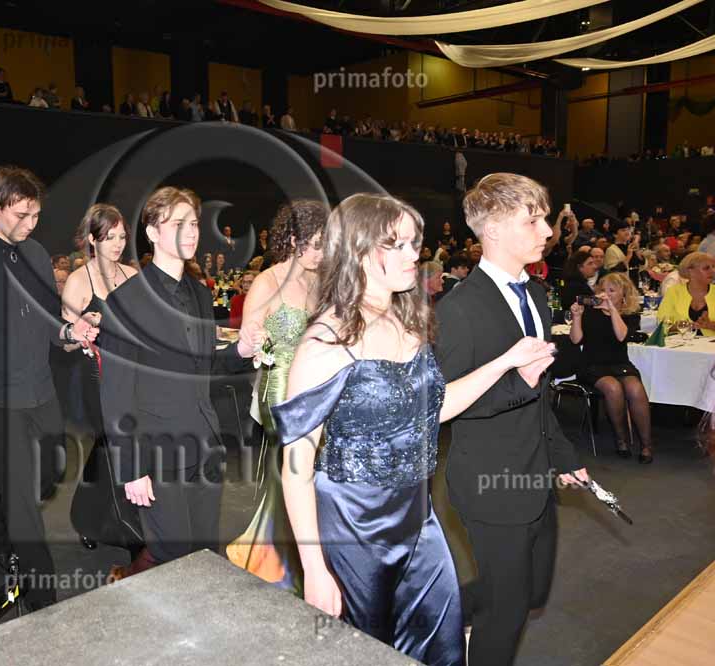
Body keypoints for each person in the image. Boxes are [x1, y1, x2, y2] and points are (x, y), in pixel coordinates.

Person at [272, 193, 555, 665]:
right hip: (353, 525)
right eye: (397, 245)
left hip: (419, 519)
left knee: (440, 645)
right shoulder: (326, 340)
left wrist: (505, 363)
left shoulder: (407, 321)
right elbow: (296, 466)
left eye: (413, 244)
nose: (413, 255)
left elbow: (433, 409)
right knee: (364, 652)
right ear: (359, 250)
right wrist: (314, 567)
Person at [435, 173, 589, 666]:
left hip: (536, 473)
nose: (547, 231)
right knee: (506, 612)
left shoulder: (537, 295)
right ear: (494, 229)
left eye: (545, 219)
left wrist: (564, 456)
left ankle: (428, 613)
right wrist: (516, 382)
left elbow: (539, 395)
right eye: (533, 220)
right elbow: (441, 406)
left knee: (532, 591)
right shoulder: (459, 309)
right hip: (491, 482)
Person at [0, 166, 98, 611]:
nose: (31, 224)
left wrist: (72, 332)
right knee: (25, 506)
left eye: (36, 215)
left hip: (41, 391)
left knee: (50, 474)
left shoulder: (36, 254)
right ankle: (44, 603)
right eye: (22, 215)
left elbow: (50, 321)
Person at [99, 186, 261, 581]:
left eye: (193, 224)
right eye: (178, 224)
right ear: (152, 233)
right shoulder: (126, 302)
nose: (190, 232)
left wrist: (239, 351)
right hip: (157, 451)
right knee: (173, 556)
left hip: (205, 443)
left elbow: (202, 366)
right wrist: (131, 467)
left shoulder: (201, 295)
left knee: (204, 550)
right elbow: (116, 393)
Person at [226, 200, 327, 591]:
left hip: (315, 387)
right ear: (294, 240)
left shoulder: (319, 281)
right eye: (315, 244)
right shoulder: (268, 281)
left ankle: (301, 554)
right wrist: (255, 336)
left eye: (325, 244)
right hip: (280, 388)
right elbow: (249, 334)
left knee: (311, 472)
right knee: (290, 470)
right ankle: (281, 561)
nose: (321, 252)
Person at [63, 204, 142, 552]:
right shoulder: (79, 281)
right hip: (96, 377)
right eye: (110, 237)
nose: (118, 244)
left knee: (113, 449)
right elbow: (64, 341)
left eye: (122, 236)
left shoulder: (133, 275)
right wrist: (84, 328)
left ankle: (89, 516)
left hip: (134, 375)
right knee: (114, 444)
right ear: (93, 240)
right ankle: (126, 526)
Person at [569, 273, 653, 462]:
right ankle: (621, 439)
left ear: (624, 294)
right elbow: (576, 340)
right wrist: (577, 317)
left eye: (611, 291)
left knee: (635, 388)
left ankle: (647, 445)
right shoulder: (591, 311)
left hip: (619, 363)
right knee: (613, 387)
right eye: (602, 290)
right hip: (591, 364)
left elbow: (621, 336)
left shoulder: (630, 314)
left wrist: (612, 310)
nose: (605, 294)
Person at [656, 251, 715, 335]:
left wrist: (710, 325)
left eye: (713, 267)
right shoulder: (674, 292)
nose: (712, 271)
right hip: (680, 341)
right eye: (706, 268)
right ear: (690, 271)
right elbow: (662, 325)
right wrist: (686, 326)